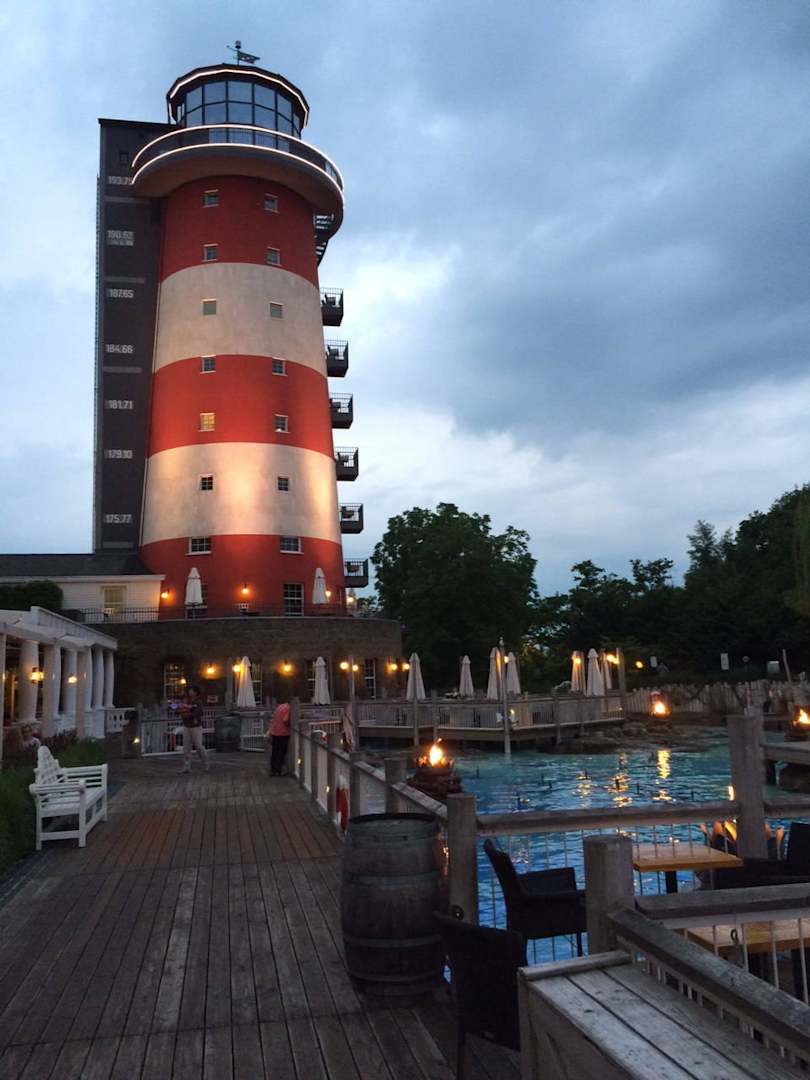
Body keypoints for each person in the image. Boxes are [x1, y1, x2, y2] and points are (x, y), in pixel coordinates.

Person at [179, 686, 209, 774]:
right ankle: (186, 767)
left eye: (192, 691)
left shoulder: (198, 702)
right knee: (186, 748)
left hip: (196, 726)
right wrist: (182, 711)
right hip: (187, 725)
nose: (190, 692)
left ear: (196, 692)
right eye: (189, 691)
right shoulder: (187, 701)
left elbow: (199, 712)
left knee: (199, 746)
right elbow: (181, 710)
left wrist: (189, 714)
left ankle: (205, 764)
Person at [266, 701, 291, 776]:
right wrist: (291, 724)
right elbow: (285, 720)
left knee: (275, 751)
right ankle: (279, 770)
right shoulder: (289, 708)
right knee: (282, 752)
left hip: (275, 732)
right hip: (283, 733)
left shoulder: (279, 707)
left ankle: (273, 770)